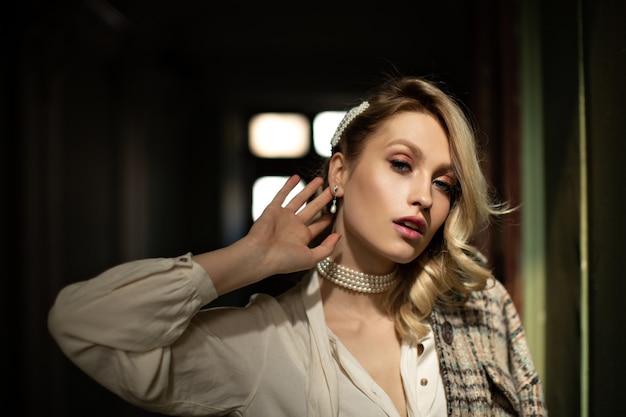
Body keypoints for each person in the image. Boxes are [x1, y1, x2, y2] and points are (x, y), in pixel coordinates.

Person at [48, 76, 547, 417]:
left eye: (445, 184)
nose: (423, 196)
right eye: (401, 164)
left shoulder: (478, 306)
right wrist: (246, 260)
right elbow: (81, 324)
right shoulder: (266, 344)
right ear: (340, 172)